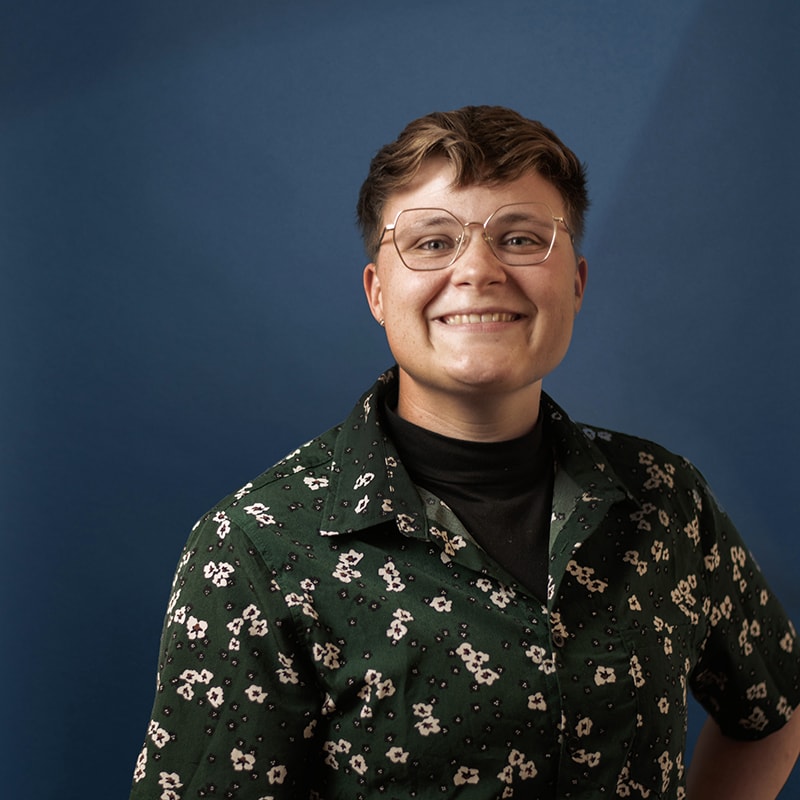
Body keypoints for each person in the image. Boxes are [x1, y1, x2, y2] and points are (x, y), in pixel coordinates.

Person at [130, 105, 800, 799]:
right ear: (378, 292)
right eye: (430, 242)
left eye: (520, 238)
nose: (478, 270)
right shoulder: (257, 549)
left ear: (575, 282)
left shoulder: (666, 499)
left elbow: (775, 711)